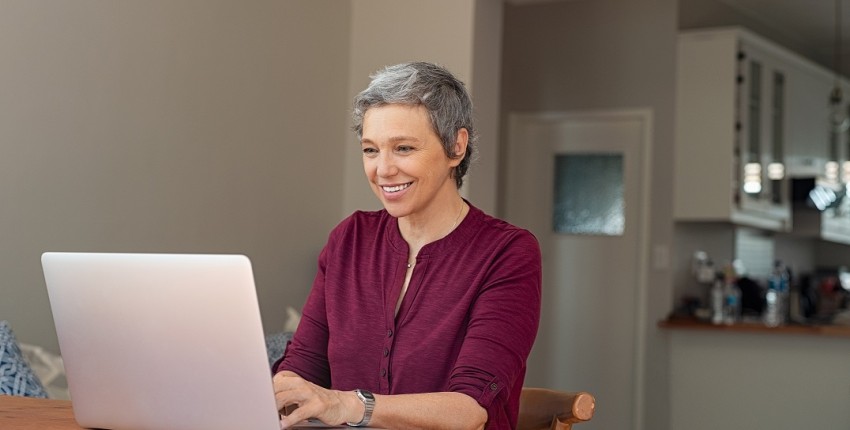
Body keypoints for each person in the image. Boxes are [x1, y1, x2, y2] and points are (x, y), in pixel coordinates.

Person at [272, 62, 542, 430]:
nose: (383, 170)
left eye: (403, 148)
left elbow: (469, 410)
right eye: (370, 150)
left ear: (456, 147)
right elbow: (300, 368)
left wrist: (351, 405)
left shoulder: (507, 253)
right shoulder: (349, 239)